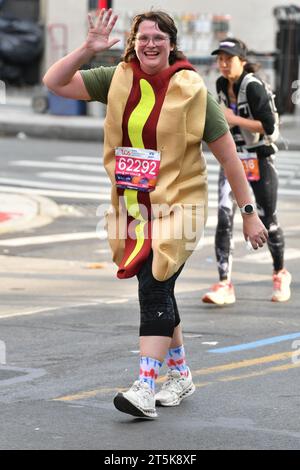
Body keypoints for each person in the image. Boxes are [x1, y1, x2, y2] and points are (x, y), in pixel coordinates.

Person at [43, 10, 268, 420]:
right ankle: (180, 374)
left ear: (171, 43)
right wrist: (88, 49)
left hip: (182, 205)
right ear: (134, 42)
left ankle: (145, 386)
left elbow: (230, 160)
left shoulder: (192, 90)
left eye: (158, 38)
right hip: (134, 207)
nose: (150, 44)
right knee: (157, 285)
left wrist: (249, 214)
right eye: (144, 37)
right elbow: (54, 82)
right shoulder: (117, 78)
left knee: (155, 281)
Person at [202, 38, 292, 306]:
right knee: (224, 217)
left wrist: (234, 120)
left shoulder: (253, 87)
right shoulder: (220, 85)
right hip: (232, 158)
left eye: (228, 59)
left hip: (259, 158)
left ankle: (279, 272)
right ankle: (224, 283)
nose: (223, 64)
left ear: (242, 60)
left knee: (267, 218)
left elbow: (271, 128)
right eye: (220, 59)